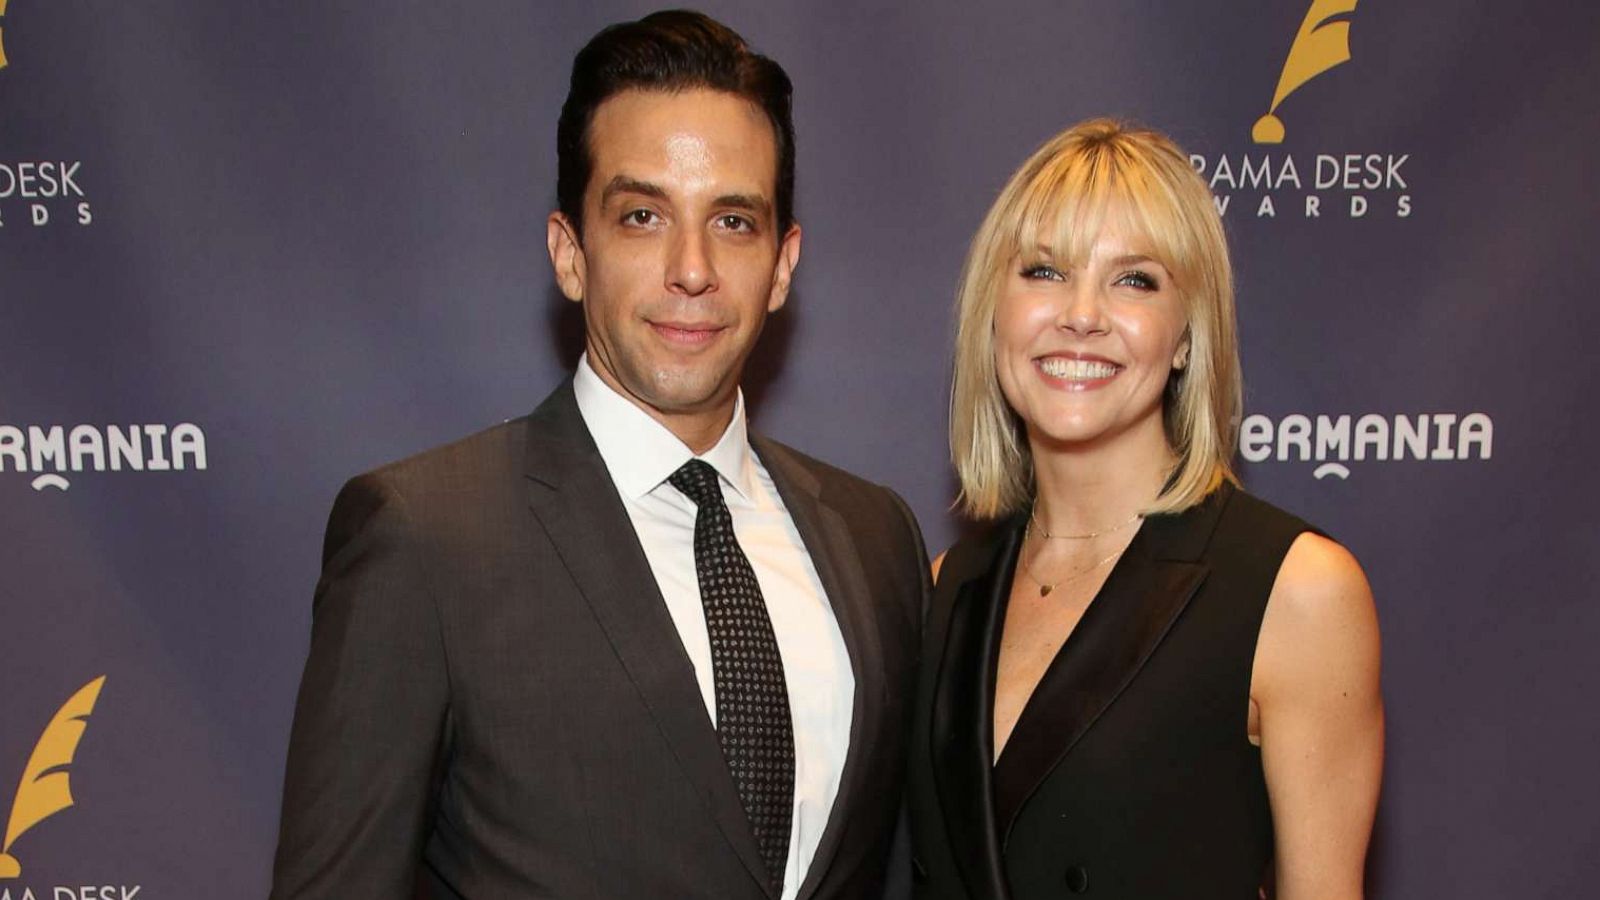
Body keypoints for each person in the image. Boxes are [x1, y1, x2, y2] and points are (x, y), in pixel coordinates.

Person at [269, 11, 928, 899]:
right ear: (569, 253)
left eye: (733, 221)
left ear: (782, 263)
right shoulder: (424, 539)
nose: (691, 268)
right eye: (643, 215)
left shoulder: (874, 535)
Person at [906, 119, 1383, 899]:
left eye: (1135, 280)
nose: (1082, 314)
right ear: (994, 314)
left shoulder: (1296, 592)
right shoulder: (941, 589)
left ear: (1188, 336)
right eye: (1044, 270)